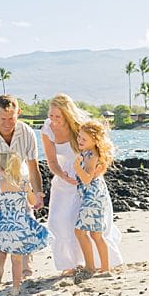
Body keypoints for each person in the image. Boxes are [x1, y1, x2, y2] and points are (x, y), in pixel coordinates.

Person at [41, 94, 123, 276]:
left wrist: (96, 172)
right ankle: (69, 264)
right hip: (64, 181)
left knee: (85, 226)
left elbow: (100, 151)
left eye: (58, 117)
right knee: (58, 221)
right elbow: (52, 161)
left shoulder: (80, 128)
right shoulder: (47, 129)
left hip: (86, 183)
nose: (53, 120)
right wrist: (63, 176)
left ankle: (98, 264)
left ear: (67, 115)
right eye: (51, 115)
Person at [0, 95, 43, 289]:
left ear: (18, 113)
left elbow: (33, 167)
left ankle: (26, 271)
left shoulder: (27, 133)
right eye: (2, 118)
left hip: (19, 183)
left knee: (27, 222)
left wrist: (37, 194)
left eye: (11, 118)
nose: (7, 123)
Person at [0, 152, 51, 295]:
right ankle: (16, 288)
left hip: (3, 226)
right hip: (19, 227)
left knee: (1, 250)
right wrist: (37, 196)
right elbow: (32, 202)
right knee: (17, 259)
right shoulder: (24, 184)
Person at [73, 119, 120, 275]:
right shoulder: (88, 152)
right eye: (79, 137)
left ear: (95, 140)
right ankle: (104, 267)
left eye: (84, 139)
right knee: (95, 234)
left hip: (92, 197)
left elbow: (87, 179)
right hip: (93, 196)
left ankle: (91, 266)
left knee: (81, 232)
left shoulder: (92, 155)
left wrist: (76, 168)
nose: (79, 140)